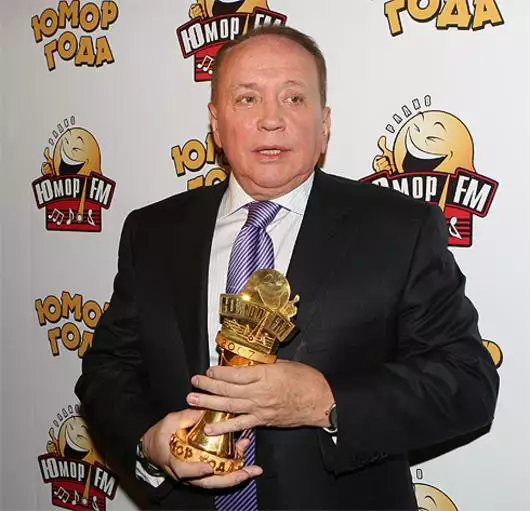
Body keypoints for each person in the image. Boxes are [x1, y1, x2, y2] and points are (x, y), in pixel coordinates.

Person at [75, 25, 499, 510]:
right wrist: (149, 443)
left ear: (325, 123)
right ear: (216, 124)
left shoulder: (400, 229)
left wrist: (326, 402)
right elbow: (108, 370)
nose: (271, 120)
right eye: (247, 99)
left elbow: (468, 382)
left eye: (294, 98)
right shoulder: (152, 232)